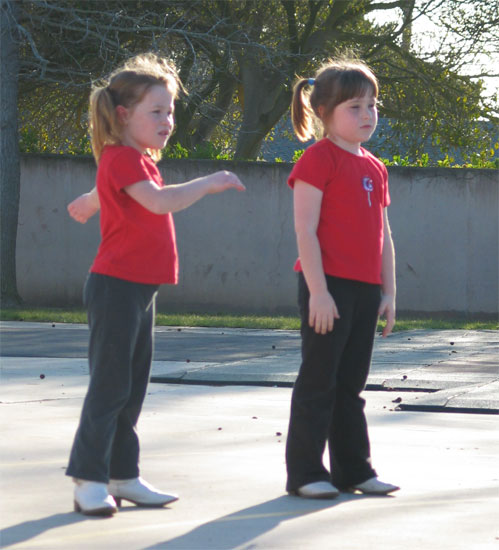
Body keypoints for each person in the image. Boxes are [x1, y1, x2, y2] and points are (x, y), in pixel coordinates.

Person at [66, 53, 245, 516]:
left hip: (140, 288)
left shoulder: (136, 160)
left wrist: (90, 200)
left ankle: (122, 475)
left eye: (171, 111)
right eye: (157, 112)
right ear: (124, 114)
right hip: (115, 287)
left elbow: (112, 189)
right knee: (110, 388)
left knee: (130, 389)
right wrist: (208, 182)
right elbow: (159, 203)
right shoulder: (123, 158)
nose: (168, 121)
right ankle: (88, 479)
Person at [285, 58, 399, 499]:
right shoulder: (317, 159)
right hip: (327, 288)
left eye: (372, 105)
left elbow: (384, 235)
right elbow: (305, 230)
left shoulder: (375, 167)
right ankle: (305, 474)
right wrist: (318, 292)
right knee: (319, 382)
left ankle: (353, 471)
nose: (368, 114)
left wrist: (389, 292)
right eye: (355, 107)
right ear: (324, 112)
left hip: (366, 291)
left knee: (351, 386)